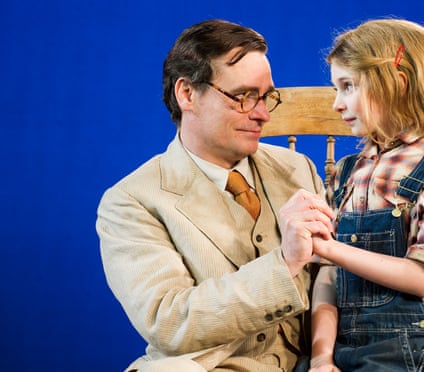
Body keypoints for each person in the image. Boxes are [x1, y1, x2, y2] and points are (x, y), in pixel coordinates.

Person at [96, 19, 333, 372]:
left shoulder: (298, 169)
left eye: (267, 96)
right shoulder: (131, 201)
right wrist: (284, 263)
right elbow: (169, 322)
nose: (263, 115)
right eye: (243, 97)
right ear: (187, 93)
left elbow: (335, 276)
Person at [309, 19, 424, 372]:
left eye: (348, 86)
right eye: (335, 88)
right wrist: (321, 357)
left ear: (397, 85)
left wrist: (329, 248)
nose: (337, 104)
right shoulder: (347, 170)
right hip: (342, 340)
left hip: (410, 343)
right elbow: (327, 275)